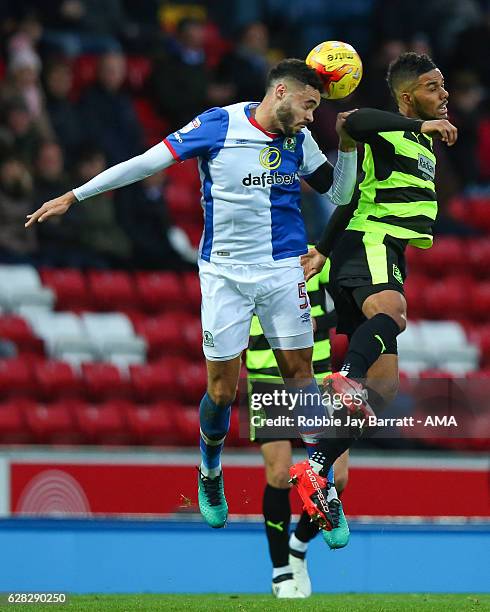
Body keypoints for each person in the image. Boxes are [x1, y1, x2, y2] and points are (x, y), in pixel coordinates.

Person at [25, 59, 358, 544]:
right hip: (224, 276)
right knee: (223, 391)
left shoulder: (299, 140)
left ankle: (321, 484)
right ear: (282, 92)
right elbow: (146, 162)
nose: (312, 118)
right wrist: (76, 195)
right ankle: (209, 468)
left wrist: (347, 146)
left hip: (283, 270)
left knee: (300, 379)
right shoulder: (218, 125)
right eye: (309, 106)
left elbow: (341, 191)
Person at [290, 53, 458, 525]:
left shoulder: (411, 146)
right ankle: (343, 377)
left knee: (381, 389)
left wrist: (322, 248)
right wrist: (418, 127)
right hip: (373, 242)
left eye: (443, 85)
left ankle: (317, 469)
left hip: (367, 248)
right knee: (394, 313)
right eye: (432, 86)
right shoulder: (391, 130)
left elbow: (355, 194)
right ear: (407, 98)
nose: (443, 94)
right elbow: (351, 118)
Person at [246, 253, 349, 598]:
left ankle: (299, 546)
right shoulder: (246, 255)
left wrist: (320, 318)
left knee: (340, 478)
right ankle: (280, 571)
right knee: (278, 474)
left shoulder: (315, 255)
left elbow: (343, 305)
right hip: (267, 374)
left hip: (318, 375)